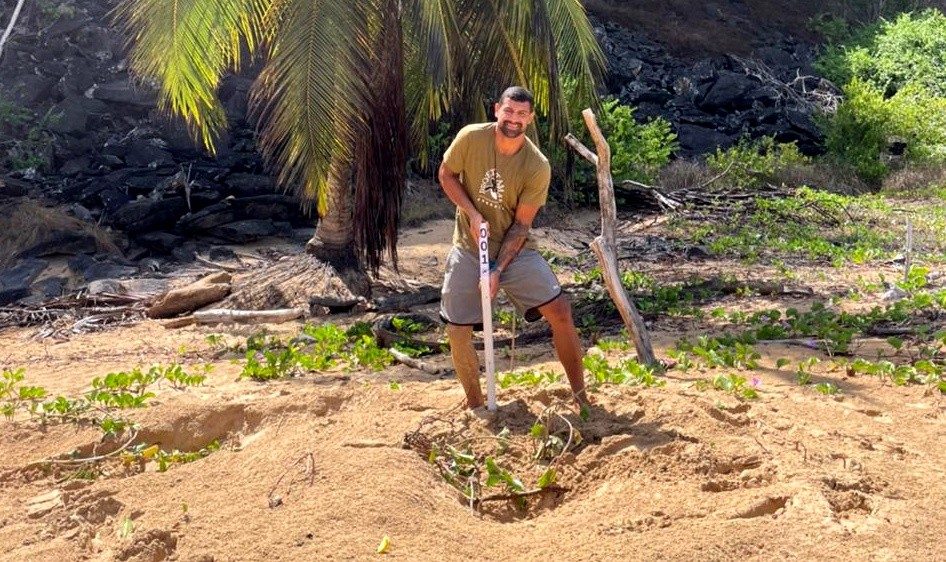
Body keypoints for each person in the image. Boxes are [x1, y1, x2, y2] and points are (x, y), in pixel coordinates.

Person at [438, 86, 588, 411]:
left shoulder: (537, 165)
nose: (514, 119)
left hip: (514, 249)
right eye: (509, 111)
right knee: (456, 328)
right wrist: (472, 212)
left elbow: (521, 226)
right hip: (468, 244)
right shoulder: (470, 138)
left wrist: (496, 270)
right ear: (497, 110)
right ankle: (476, 403)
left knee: (560, 311)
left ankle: (581, 397)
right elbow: (447, 175)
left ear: (530, 119)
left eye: (522, 114)